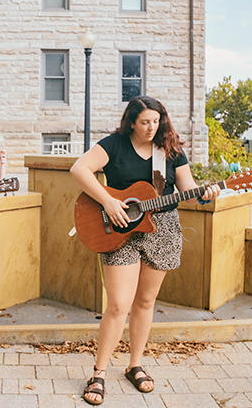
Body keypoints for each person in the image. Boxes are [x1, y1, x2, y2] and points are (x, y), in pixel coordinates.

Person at [70, 95, 220, 405]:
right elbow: (79, 169)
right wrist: (108, 201)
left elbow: (187, 191)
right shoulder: (114, 144)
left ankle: (135, 365)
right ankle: (99, 373)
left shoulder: (170, 150)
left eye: (156, 121)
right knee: (118, 304)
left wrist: (205, 195)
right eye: (144, 122)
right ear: (131, 122)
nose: (151, 127)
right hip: (118, 228)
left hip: (162, 229)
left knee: (146, 300)